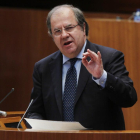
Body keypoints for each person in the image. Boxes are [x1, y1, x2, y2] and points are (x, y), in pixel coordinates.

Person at [26, 4, 137, 130]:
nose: (64, 35)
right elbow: (34, 111)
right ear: (52, 37)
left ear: (83, 28)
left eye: (69, 27)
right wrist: (39, 127)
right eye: (57, 31)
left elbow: (129, 98)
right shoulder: (43, 68)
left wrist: (102, 77)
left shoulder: (108, 58)